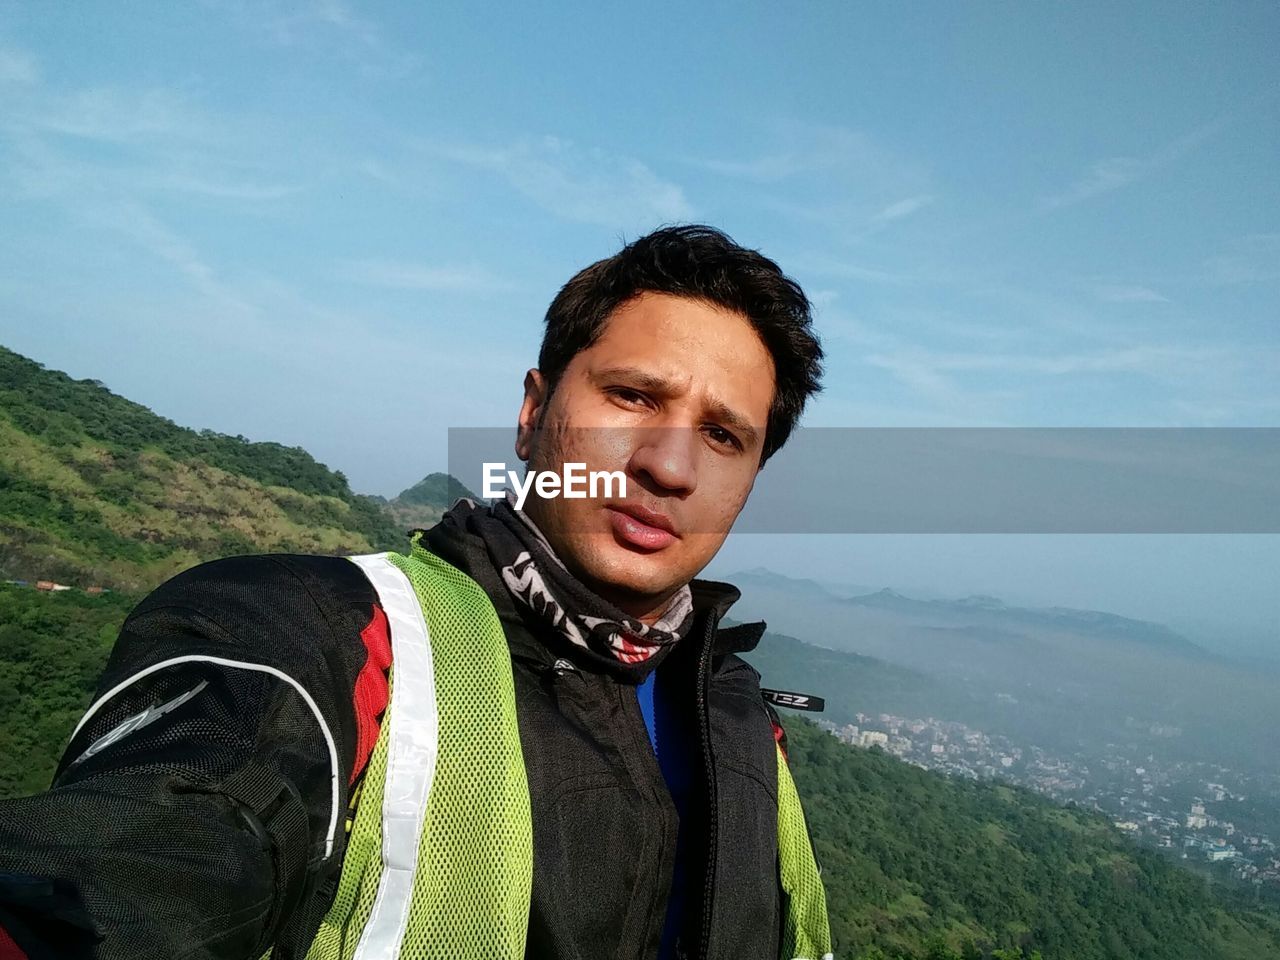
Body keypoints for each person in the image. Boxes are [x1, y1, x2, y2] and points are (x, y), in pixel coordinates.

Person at [0, 225, 832, 960]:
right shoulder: (332, 635)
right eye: (632, 396)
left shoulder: (738, 718)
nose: (669, 466)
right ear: (533, 414)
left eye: (723, 436)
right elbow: (143, 864)